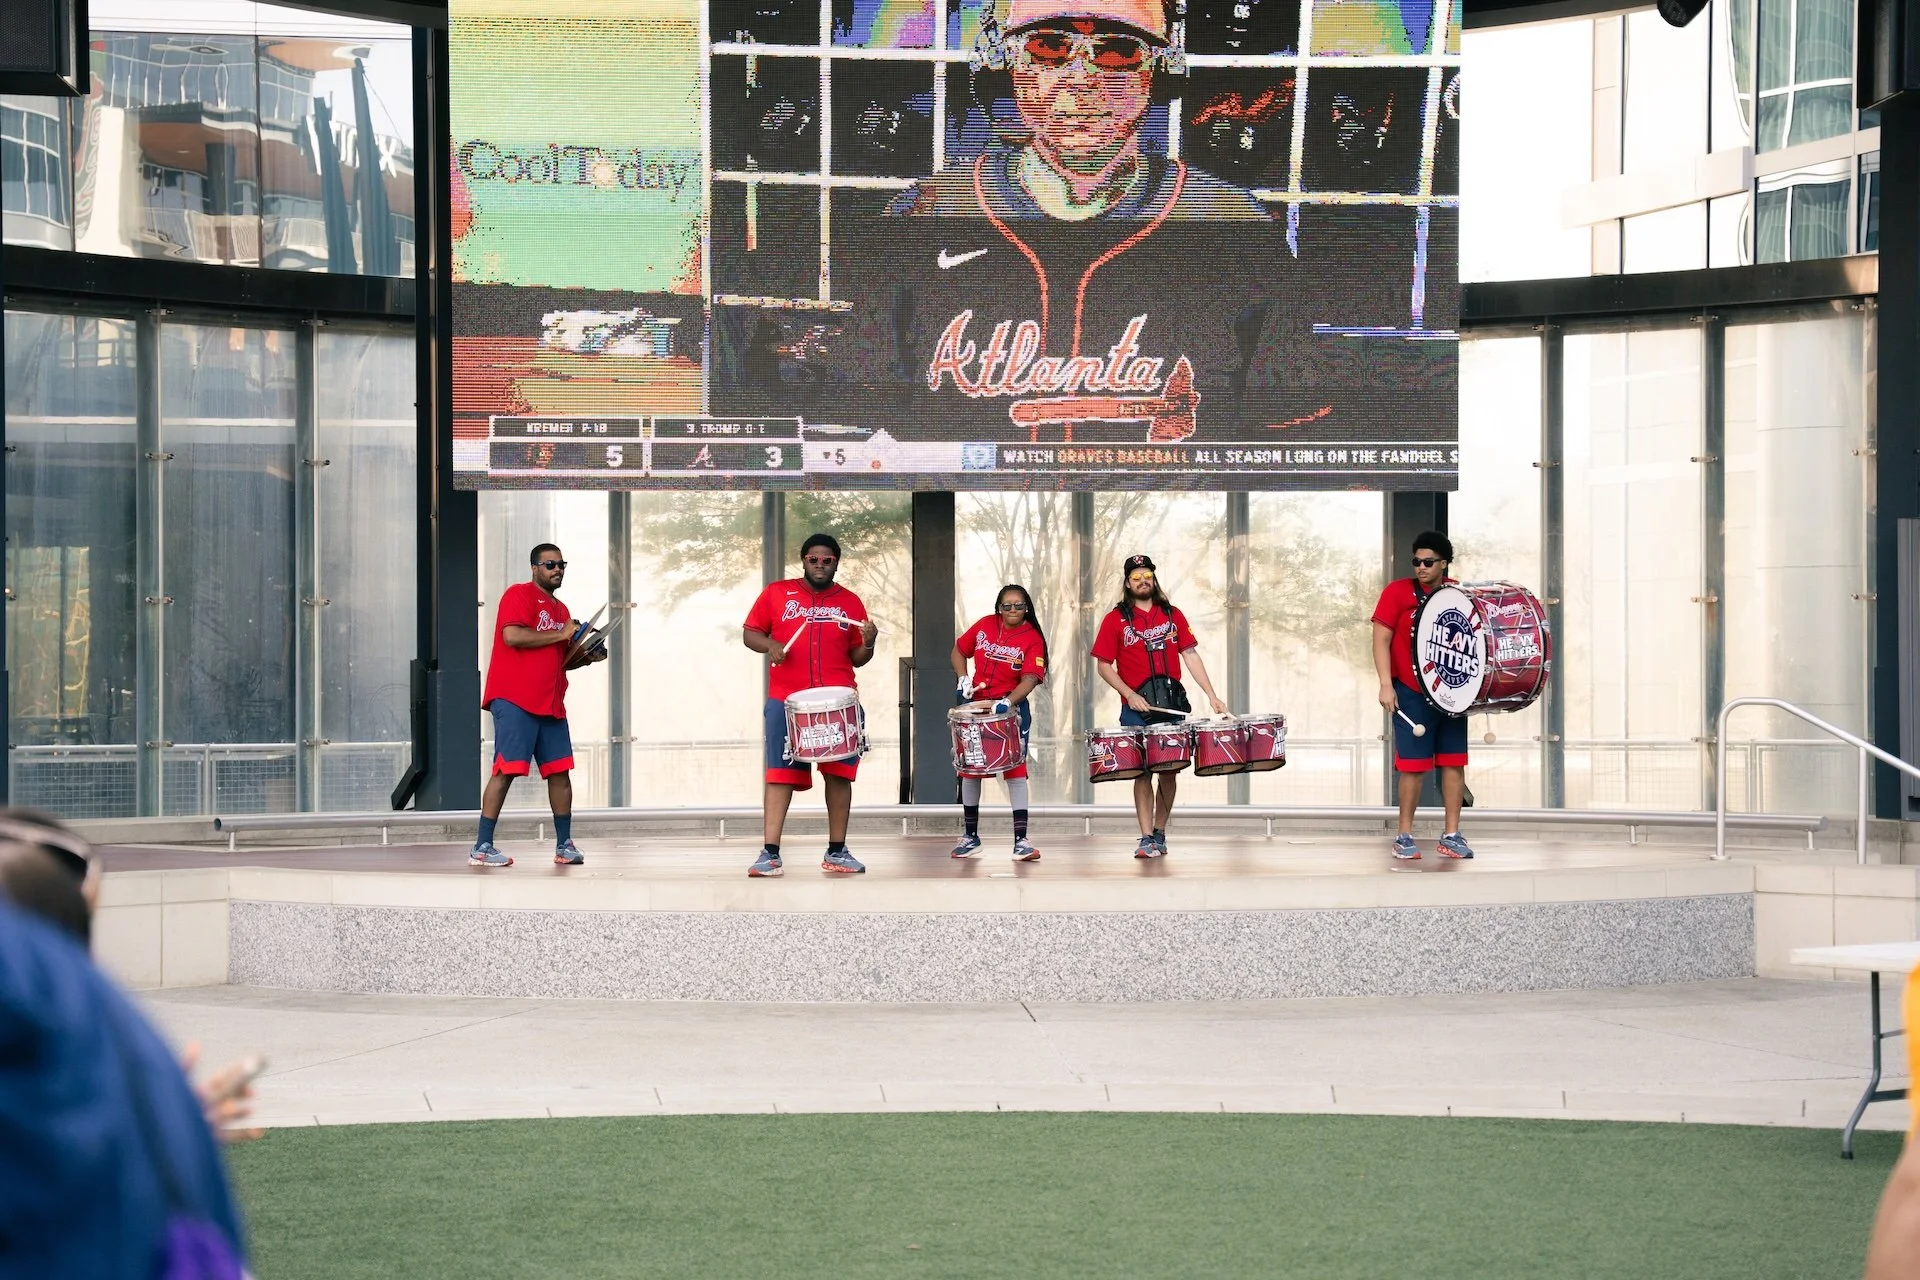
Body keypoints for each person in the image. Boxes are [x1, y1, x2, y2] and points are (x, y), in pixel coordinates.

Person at [741, 532, 879, 877]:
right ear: (803, 560)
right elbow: (749, 633)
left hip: (838, 701)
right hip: (786, 701)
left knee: (838, 774)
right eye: (813, 559)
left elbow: (858, 658)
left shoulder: (850, 601)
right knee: (780, 774)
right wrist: (770, 644)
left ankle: (837, 851)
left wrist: (869, 643)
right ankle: (769, 853)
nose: (819, 565)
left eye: (827, 560)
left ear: (836, 562)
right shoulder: (776, 593)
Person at [471, 543, 606, 868]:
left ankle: (565, 845)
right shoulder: (518, 594)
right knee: (506, 770)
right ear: (535, 567)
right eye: (550, 564)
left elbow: (560, 660)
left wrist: (586, 657)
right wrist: (562, 633)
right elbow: (513, 637)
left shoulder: (560, 610)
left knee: (560, 772)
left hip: (550, 703)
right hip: (516, 699)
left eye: (562, 564)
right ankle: (482, 846)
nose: (557, 569)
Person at [1091, 553, 1226, 858]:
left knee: (1169, 770)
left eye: (1147, 576)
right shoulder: (1115, 619)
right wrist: (1129, 694)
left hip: (1172, 706)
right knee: (1141, 772)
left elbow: (1190, 655)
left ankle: (1161, 832)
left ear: (1153, 579)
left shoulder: (1172, 615)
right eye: (1136, 577)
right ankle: (1145, 836)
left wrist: (1212, 694)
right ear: (1127, 583)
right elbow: (1103, 665)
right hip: (1136, 708)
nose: (1142, 582)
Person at [1370, 530, 1472, 861]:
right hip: (1411, 694)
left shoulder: (1456, 593)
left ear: (1444, 563)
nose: (1421, 567)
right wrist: (1386, 683)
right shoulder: (1397, 592)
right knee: (1412, 766)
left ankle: (1452, 834)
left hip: (1451, 695)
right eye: (1416, 561)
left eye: (1428, 562)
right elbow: (1380, 640)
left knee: (1454, 764)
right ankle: (1403, 835)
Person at [950, 583, 1049, 862]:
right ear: (999, 607)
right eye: (1007, 605)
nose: (1013, 610)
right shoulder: (984, 625)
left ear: (1026, 607)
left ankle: (1021, 841)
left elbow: (1030, 678)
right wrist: (963, 677)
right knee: (971, 770)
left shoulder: (1032, 638)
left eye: (1019, 605)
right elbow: (959, 650)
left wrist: (1010, 700)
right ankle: (971, 837)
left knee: (1015, 771)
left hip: (1010, 710)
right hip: (978, 708)